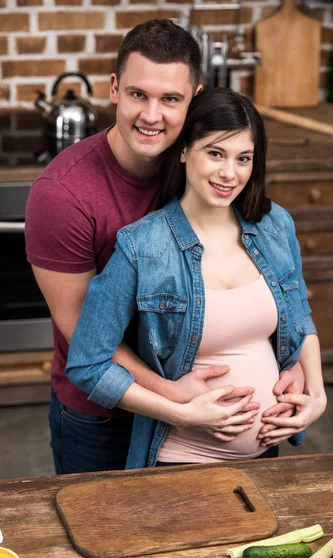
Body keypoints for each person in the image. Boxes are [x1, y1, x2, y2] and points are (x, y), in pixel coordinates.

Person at [25, 19, 303, 475]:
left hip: (214, 421)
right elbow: (84, 335)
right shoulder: (63, 194)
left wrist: (299, 374)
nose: (151, 115)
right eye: (138, 94)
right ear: (114, 88)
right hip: (105, 418)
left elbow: (271, 285)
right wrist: (174, 396)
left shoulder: (206, 172)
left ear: (194, 99)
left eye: (169, 99)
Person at [65, 87, 327, 470]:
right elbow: (88, 364)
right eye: (215, 153)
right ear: (185, 150)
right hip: (181, 460)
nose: (229, 173)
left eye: (244, 158)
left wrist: (316, 394)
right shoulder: (143, 246)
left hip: (269, 455)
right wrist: (180, 412)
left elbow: (299, 314)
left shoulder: (274, 226)